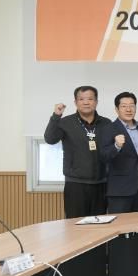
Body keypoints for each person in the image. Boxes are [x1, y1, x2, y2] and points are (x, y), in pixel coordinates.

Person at [44, 85, 111, 218]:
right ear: (75, 102)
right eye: (81, 99)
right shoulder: (66, 122)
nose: (86, 102)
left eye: (90, 99)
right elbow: (50, 139)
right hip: (75, 185)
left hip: (101, 184)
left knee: (99, 224)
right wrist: (56, 116)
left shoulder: (106, 123)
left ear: (96, 102)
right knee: (75, 224)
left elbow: (111, 151)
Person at [99, 92, 138, 213]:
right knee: (120, 223)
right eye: (124, 106)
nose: (128, 109)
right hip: (119, 189)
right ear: (117, 109)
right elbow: (103, 156)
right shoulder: (108, 129)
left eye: (132, 105)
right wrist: (116, 146)